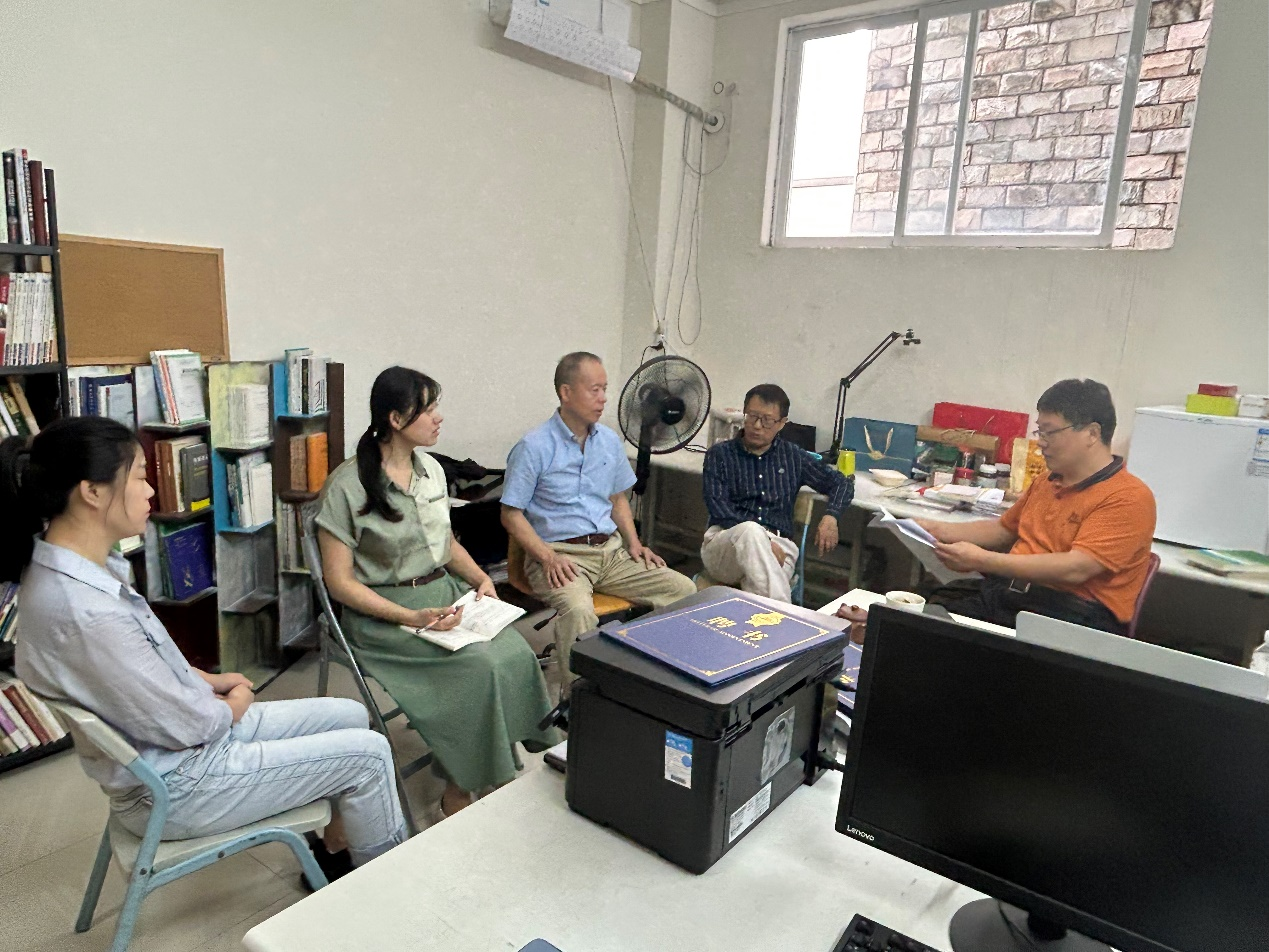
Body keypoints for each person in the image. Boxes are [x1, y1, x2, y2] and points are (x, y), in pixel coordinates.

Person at [6, 417, 405, 885]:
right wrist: (232, 705)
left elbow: (135, 673)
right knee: (370, 754)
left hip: (178, 750)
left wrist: (208, 680)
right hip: (178, 784)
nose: (150, 491)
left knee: (350, 714)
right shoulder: (83, 610)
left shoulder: (80, 568)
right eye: (139, 476)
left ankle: (337, 853)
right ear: (92, 492)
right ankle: (384, 891)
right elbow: (190, 725)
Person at [316, 366, 559, 819]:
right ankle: (458, 788)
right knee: (479, 668)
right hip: (383, 616)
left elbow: (444, 544)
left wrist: (480, 579)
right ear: (395, 419)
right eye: (427, 409)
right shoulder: (347, 486)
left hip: (442, 596)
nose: (438, 417)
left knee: (516, 655)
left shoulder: (430, 470)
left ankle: (488, 765)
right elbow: (339, 583)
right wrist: (410, 617)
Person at [501, 352, 697, 692]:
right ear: (566, 392)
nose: (603, 398)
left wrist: (635, 543)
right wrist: (547, 557)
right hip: (561, 556)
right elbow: (510, 514)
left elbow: (618, 499)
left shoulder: (607, 441)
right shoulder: (533, 447)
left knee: (683, 591)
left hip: (611, 552)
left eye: (604, 389)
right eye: (594, 390)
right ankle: (579, 702)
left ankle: (655, 681)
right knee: (578, 610)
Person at [913, 379, 1156, 634]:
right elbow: (1004, 530)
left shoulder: (1127, 497)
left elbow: (1076, 569)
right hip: (1014, 596)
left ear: (1092, 433)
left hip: (1070, 616)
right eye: (1040, 432)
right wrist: (934, 529)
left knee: (933, 632)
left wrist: (982, 560)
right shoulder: (1047, 481)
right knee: (917, 608)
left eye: (1050, 432)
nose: (1041, 442)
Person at [701, 384, 853, 602]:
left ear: (782, 423)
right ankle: (783, 615)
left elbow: (842, 483)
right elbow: (718, 507)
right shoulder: (719, 455)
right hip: (726, 544)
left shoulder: (793, 457)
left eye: (767, 420)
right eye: (752, 416)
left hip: (780, 546)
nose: (757, 426)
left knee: (757, 588)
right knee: (751, 532)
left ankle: (766, 618)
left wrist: (831, 516)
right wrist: (763, 543)